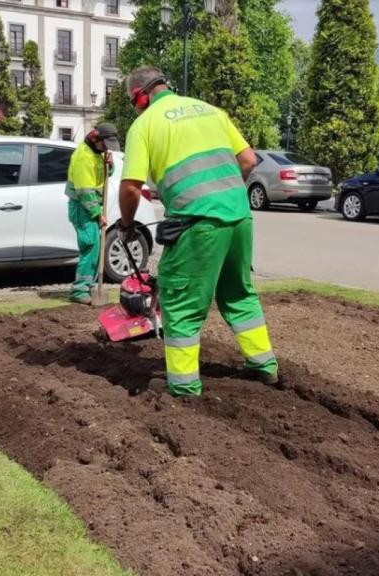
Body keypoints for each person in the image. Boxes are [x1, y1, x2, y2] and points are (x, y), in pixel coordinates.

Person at [117, 66, 278, 396]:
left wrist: (127, 225)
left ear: (141, 96)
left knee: (181, 302)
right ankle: (264, 367)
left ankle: (184, 387)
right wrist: (225, 197)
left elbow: (131, 187)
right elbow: (247, 159)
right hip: (239, 219)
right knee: (239, 293)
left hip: (198, 225)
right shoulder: (210, 110)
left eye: (134, 101)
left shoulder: (144, 124)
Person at [66, 123, 119, 304]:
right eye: (105, 144)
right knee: (90, 247)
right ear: (96, 139)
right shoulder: (83, 156)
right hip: (83, 208)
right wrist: (98, 213)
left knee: (95, 248)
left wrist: (109, 166)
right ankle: (80, 290)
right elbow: (84, 191)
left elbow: (101, 176)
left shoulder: (97, 154)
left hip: (91, 206)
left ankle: (86, 288)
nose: (106, 148)